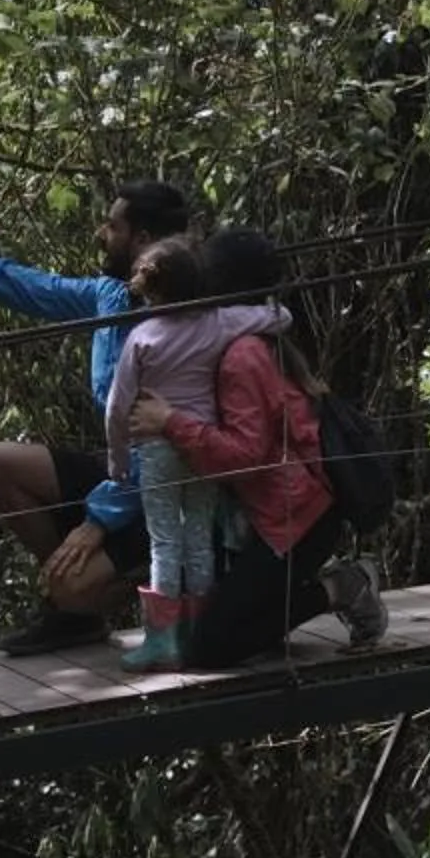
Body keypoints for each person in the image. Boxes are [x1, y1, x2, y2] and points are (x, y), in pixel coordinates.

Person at [0, 180, 195, 655]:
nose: (101, 233)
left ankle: (90, 598)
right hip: (122, 474)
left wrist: (96, 523)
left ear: (141, 240)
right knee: (3, 463)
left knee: (69, 587)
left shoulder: (187, 321)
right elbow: (30, 287)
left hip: (167, 491)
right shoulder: (111, 297)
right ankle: (77, 610)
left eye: (112, 225)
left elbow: (167, 450)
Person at [122, 227, 387, 665]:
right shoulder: (250, 337)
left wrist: (170, 422)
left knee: (211, 648)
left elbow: (243, 459)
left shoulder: (241, 354)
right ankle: (291, 601)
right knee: (223, 627)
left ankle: (344, 586)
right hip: (290, 513)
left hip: (298, 518)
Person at [103, 234, 291, 672]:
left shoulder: (142, 339)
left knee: (165, 540)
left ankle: (162, 639)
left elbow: (118, 405)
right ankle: (198, 630)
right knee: (200, 538)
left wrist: (117, 459)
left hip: (157, 449)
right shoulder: (219, 322)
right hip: (203, 443)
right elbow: (280, 316)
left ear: (151, 288)